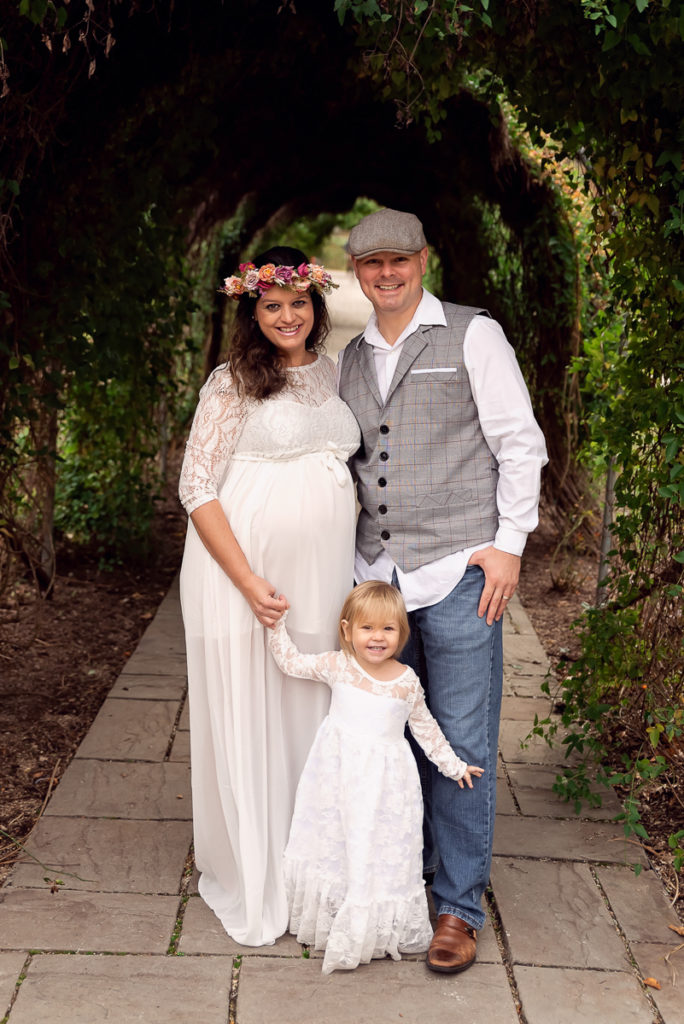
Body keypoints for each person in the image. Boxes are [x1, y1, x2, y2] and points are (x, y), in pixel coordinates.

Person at [338, 208, 548, 974]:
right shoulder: (353, 356)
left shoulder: (472, 334)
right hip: (381, 583)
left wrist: (509, 545)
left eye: (398, 260)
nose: (385, 273)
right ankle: (400, 882)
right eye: (370, 264)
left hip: (461, 570)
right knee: (392, 738)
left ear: (423, 260)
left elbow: (519, 441)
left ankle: (458, 906)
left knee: (459, 741)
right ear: (357, 274)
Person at [178, 246, 360, 946]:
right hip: (243, 577)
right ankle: (255, 869)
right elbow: (197, 485)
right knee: (252, 706)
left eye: (299, 303)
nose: (288, 316)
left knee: (310, 708)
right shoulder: (232, 383)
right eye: (273, 305)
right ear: (253, 312)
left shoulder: (334, 371)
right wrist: (250, 582)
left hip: (321, 579)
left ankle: (309, 862)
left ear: (315, 306)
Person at [267, 580, 484, 975]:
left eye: (388, 628)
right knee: (337, 839)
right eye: (367, 628)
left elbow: (426, 728)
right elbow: (291, 662)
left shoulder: (405, 681)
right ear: (348, 630)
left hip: (387, 786)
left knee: (378, 844)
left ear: (401, 634)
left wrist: (454, 765)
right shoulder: (338, 666)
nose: (377, 637)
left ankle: (373, 921)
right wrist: (275, 625)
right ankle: (336, 911)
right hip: (336, 777)